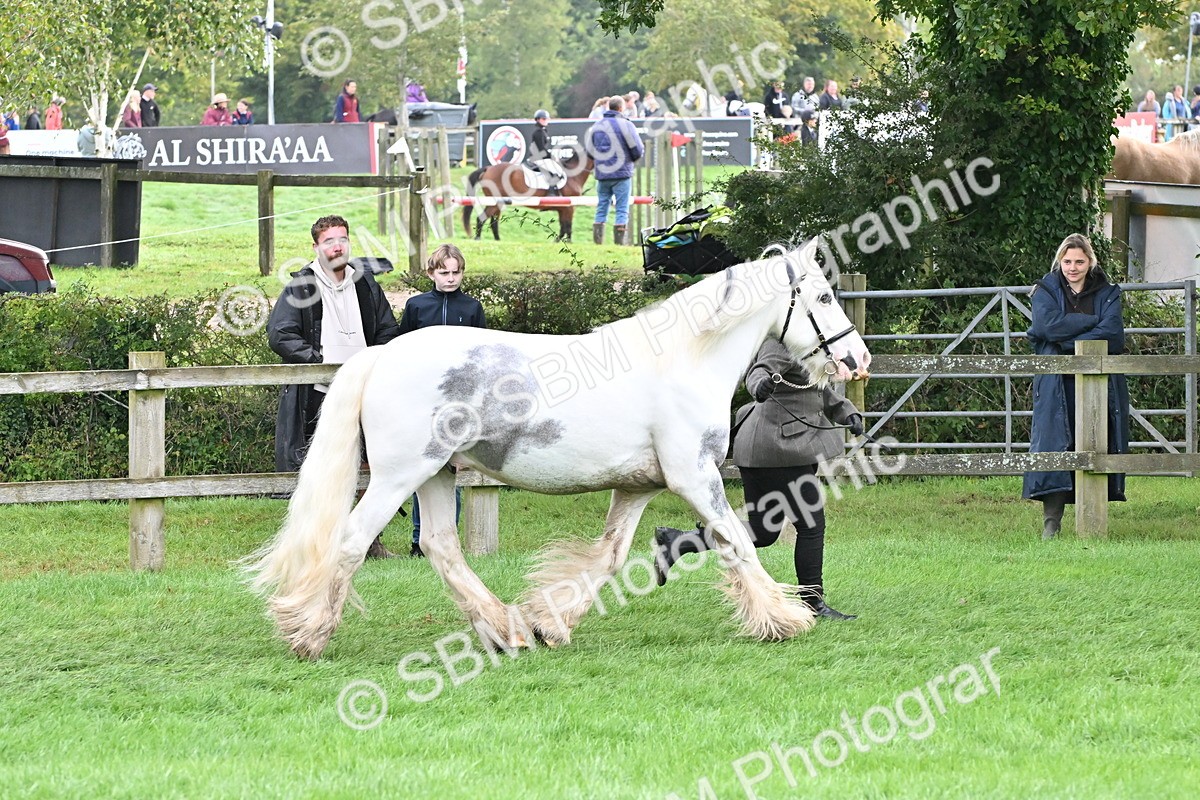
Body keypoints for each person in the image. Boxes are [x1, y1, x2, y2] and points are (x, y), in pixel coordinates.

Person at [653, 339, 865, 620]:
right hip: (777, 446)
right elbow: (758, 372)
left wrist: (847, 412)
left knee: (762, 532)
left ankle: (678, 541)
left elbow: (816, 392)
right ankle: (812, 603)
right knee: (812, 525)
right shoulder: (781, 343)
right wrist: (759, 385)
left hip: (768, 449)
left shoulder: (810, 344)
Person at [267, 215, 402, 558]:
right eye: (329, 241)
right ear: (316, 247)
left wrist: (375, 361)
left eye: (342, 239)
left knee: (371, 465)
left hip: (364, 390)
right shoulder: (301, 286)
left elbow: (387, 329)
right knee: (326, 468)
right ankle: (321, 541)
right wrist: (320, 360)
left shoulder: (365, 283)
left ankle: (367, 540)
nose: (337, 246)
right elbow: (281, 334)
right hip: (318, 393)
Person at [1023, 233, 1129, 540]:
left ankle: (1092, 520)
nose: (1073, 267)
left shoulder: (1107, 291)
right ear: (1060, 261)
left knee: (1095, 442)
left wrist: (1063, 335)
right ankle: (1051, 522)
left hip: (1099, 381)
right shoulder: (1045, 288)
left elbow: (1114, 335)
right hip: (1056, 381)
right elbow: (1045, 326)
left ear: (1090, 261)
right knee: (1054, 444)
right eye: (1067, 261)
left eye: (1079, 261)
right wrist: (1092, 323)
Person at [397, 244, 487, 557]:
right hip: (423, 398)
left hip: (458, 401)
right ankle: (419, 540)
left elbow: (482, 354)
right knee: (424, 469)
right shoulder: (416, 306)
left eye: (456, 272)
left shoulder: (472, 307)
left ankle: (448, 537)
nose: (450, 278)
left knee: (451, 469)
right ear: (431, 273)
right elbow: (402, 350)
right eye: (444, 272)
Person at [585, 95, 644, 246]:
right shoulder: (627, 125)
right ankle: (619, 245)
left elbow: (589, 152)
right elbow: (637, 149)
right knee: (622, 208)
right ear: (621, 108)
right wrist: (630, 161)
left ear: (608, 107)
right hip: (622, 175)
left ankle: (598, 243)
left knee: (602, 206)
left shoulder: (596, 126)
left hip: (602, 174)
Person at [527, 109, 565, 195]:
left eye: (546, 119)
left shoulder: (543, 131)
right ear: (537, 120)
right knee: (555, 171)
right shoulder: (538, 132)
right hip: (537, 158)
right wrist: (551, 156)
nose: (545, 121)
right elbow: (541, 149)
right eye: (543, 119)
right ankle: (551, 193)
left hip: (540, 157)